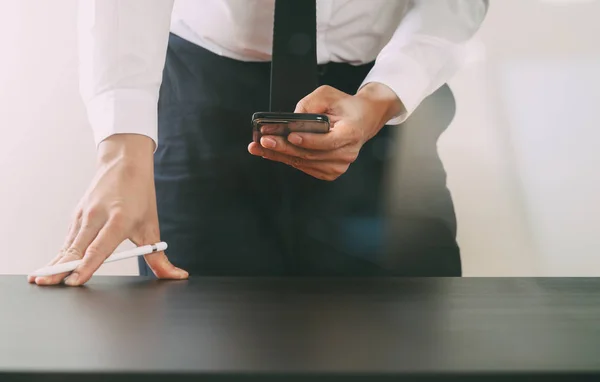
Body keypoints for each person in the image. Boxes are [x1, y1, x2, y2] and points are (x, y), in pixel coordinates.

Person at [29, 0, 489, 286]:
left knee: (412, 348)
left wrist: (384, 96)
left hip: (382, 100)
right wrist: (121, 149)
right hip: (201, 96)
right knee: (189, 350)